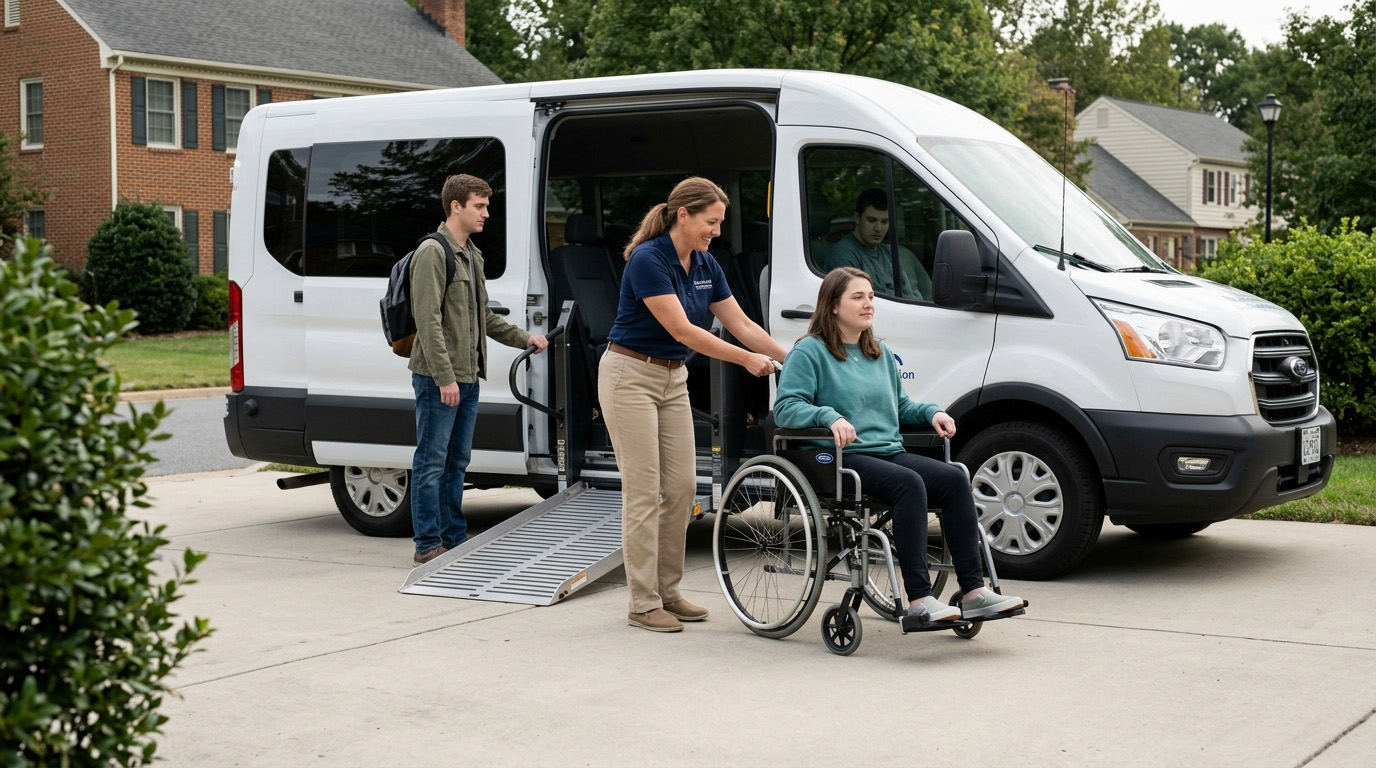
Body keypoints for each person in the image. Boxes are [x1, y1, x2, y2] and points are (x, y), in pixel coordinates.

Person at [773, 266, 1023, 622]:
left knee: (953, 479)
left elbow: (902, 406)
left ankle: (974, 591)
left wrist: (933, 412)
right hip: (841, 457)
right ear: (832, 305)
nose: (868, 304)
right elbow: (785, 407)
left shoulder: (879, 353)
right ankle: (920, 599)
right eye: (857, 297)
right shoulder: (809, 353)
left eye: (871, 296)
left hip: (887, 451)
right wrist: (829, 416)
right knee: (909, 484)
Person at [600, 176, 790, 633]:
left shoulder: (706, 263)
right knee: (644, 492)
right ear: (682, 214)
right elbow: (683, 331)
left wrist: (798, 361)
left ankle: (668, 592)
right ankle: (643, 602)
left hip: (672, 379)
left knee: (684, 487)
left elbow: (742, 323)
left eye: (720, 222)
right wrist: (746, 360)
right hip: (631, 376)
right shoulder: (649, 260)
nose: (717, 231)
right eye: (711, 221)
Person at [409, 174, 548, 566]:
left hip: (468, 375)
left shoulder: (472, 254)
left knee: (456, 462)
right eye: (479, 206)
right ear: (456, 207)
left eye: (487, 206)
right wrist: (444, 377)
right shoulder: (433, 253)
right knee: (431, 460)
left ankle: (453, 537)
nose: (487, 213)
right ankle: (427, 544)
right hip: (442, 377)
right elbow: (428, 320)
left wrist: (525, 339)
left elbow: (482, 316)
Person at [821, 188, 932, 300]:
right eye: (871, 220)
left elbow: (908, 296)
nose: (878, 228)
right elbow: (864, 301)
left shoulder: (889, 253)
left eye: (884, 222)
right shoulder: (842, 255)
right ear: (857, 218)